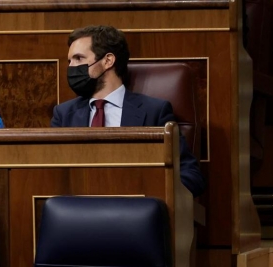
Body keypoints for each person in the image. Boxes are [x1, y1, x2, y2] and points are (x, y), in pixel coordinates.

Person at [51, 25, 206, 196]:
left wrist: (146, 192)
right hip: (79, 209)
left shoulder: (154, 111)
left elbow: (190, 176)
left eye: (79, 59)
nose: (72, 67)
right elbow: (51, 176)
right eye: (70, 61)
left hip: (134, 207)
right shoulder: (63, 115)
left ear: (108, 61)